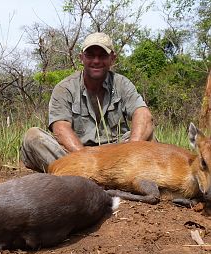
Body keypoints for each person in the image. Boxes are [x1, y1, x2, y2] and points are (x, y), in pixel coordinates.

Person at [21, 32, 154, 172]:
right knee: (33, 137)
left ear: (112, 58)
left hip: (118, 156)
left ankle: (92, 176)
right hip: (77, 155)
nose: (96, 61)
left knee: (148, 136)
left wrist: (131, 151)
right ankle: (92, 175)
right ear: (81, 58)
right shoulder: (64, 88)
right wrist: (86, 159)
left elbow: (143, 115)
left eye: (102, 55)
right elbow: (60, 128)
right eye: (90, 55)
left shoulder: (122, 84)